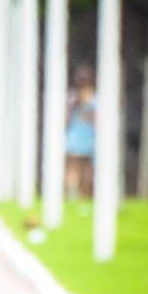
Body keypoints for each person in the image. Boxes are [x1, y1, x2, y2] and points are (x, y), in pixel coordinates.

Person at [65, 65, 96, 199]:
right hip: (86, 135)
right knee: (85, 166)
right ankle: (83, 194)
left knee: (74, 166)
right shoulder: (93, 98)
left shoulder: (72, 97)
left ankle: (75, 194)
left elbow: (65, 118)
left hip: (77, 134)